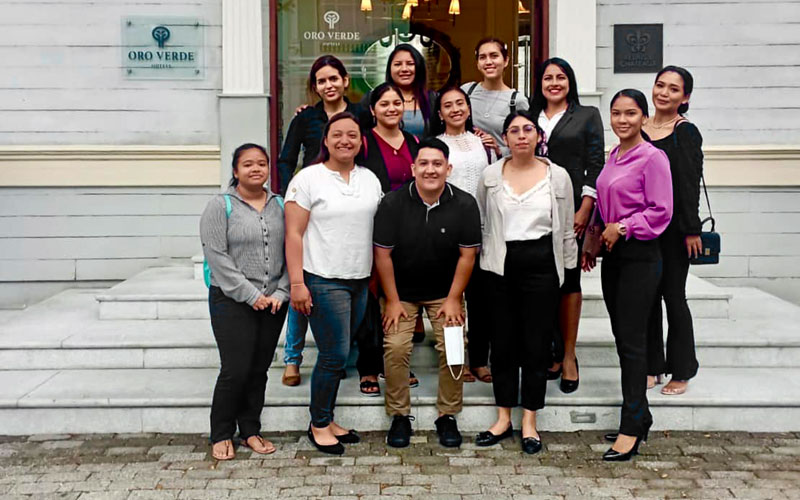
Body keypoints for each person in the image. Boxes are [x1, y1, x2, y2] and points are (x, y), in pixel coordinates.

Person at [475, 111, 577, 454]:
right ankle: (503, 416)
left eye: (528, 129)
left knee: (536, 345)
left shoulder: (557, 176)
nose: (521, 135)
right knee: (502, 344)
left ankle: (530, 420)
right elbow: (482, 221)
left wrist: (567, 269)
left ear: (537, 136)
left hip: (542, 267)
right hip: (500, 265)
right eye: (514, 130)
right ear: (505, 137)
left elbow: (564, 229)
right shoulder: (491, 175)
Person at [284, 112, 383, 455]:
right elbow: (294, 235)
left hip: (359, 280)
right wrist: (297, 283)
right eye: (337, 134)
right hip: (323, 279)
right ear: (325, 141)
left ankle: (328, 419)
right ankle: (319, 424)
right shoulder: (307, 179)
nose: (345, 140)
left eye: (352, 135)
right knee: (333, 355)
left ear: (361, 141)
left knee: (338, 358)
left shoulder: (369, 179)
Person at [374, 137, 481, 449]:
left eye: (437, 164)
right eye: (424, 163)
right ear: (413, 167)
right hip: (401, 294)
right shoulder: (392, 204)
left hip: (444, 293)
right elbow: (382, 255)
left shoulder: (464, 204)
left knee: (454, 346)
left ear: (448, 168)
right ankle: (398, 415)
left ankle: (447, 414)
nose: (430, 170)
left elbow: (467, 256)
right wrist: (392, 300)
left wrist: (452, 298)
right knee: (395, 347)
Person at [583, 89, 672, 462]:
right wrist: (594, 236)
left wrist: (625, 227)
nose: (622, 120)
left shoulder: (653, 158)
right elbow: (605, 204)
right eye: (617, 114)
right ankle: (639, 414)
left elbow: (661, 210)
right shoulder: (614, 155)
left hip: (640, 254)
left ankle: (631, 427)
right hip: (614, 256)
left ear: (643, 117)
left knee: (633, 343)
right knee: (623, 339)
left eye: (631, 114)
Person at [199, 143, 289, 460]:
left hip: (274, 302)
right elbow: (217, 256)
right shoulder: (220, 205)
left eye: (262, 164)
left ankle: (250, 429)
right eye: (247, 164)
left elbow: (293, 250)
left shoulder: (280, 204)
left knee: (259, 369)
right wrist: (252, 296)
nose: (255, 169)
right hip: (231, 300)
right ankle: (221, 432)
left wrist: (282, 292)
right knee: (235, 369)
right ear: (235, 170)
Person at [277, 55, 362, 388]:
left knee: (346, 284)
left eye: (333, 79)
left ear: (344, 80)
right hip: (310, 208)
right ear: (315, 86)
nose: (328, 85)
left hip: (345, 209)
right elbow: (286, 159)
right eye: (321, 81)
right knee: (304, 281)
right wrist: (291, 197)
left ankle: (340, 354)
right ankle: (293, 358)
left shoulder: (360, 115)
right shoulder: (306, 118)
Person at [531, 57, 605, 394]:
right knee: (543, 281)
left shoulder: (587, 115)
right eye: (548, 78)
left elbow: (595, 162)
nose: (554, 83)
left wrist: (586, 207)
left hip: (572, 206)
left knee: (569, 281)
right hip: (532, 208)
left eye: (561, 77)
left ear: (570, 82)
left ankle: (570, 355)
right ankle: (551, 350)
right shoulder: (530, 115)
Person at [643, 66, 703, 395]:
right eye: (660, 85)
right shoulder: (640, 127)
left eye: (674, 89)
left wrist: (691, 230)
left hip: (675, 231)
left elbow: (688, 184)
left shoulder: (686, 132)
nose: (664, 93)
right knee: (647, 298)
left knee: (673, 298)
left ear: (685, 98)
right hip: (642, 229)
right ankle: (653, 367)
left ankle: (682, 369)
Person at [360, 82, 423, 393]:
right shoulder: (363, 142)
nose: (391, 108)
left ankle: (396, 362)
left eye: (396, 102)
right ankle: (369, 367)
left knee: (399, 295)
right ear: (373, 110)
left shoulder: (413, 141)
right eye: (383, 103)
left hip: (409, 231)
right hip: (371, 228)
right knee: (374, 297)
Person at [432, 86, 497, 383]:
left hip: (483, 229)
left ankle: (480, 360)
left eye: (461, 103)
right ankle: (457, 360)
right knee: (451, 299)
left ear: (469, 109)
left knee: (482, 300)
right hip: (448, 231)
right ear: (440, 112)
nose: (455, 109)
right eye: (448, 105)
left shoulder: (484, 143)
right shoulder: (434, 145)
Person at [462, 37, 530, 156]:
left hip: (501, 167)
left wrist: (499, 149)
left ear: (506, 61)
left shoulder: (516, 100)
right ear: (477, 64)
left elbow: (527, 142)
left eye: (494, 56)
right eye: (482, 57)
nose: (488, 62)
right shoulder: (467, 92)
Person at [362, 43, 436, 139]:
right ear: (390, 69)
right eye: (397, 64)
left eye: (410, 64)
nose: (404, 69)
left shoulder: (432, 99)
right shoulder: (371, 98)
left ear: (419, 67)